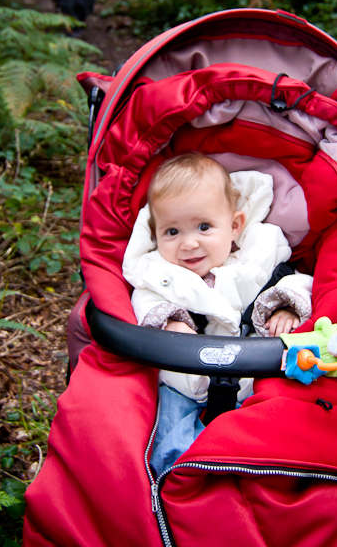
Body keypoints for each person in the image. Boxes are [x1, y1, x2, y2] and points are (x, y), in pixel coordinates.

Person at [122, 153, 314, 475]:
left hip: (253, 381)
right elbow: (145, 297)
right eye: (172, 232)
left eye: (203, 226)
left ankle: (245, 481)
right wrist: (169, 320)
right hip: (181, 383)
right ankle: (180, 486)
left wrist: (283, 305)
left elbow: (297, 280)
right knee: (168, 447)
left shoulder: (257, 260)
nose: (188, 243)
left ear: (235, 225)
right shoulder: (159, 273)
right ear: (155, 235)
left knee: (272, 437)